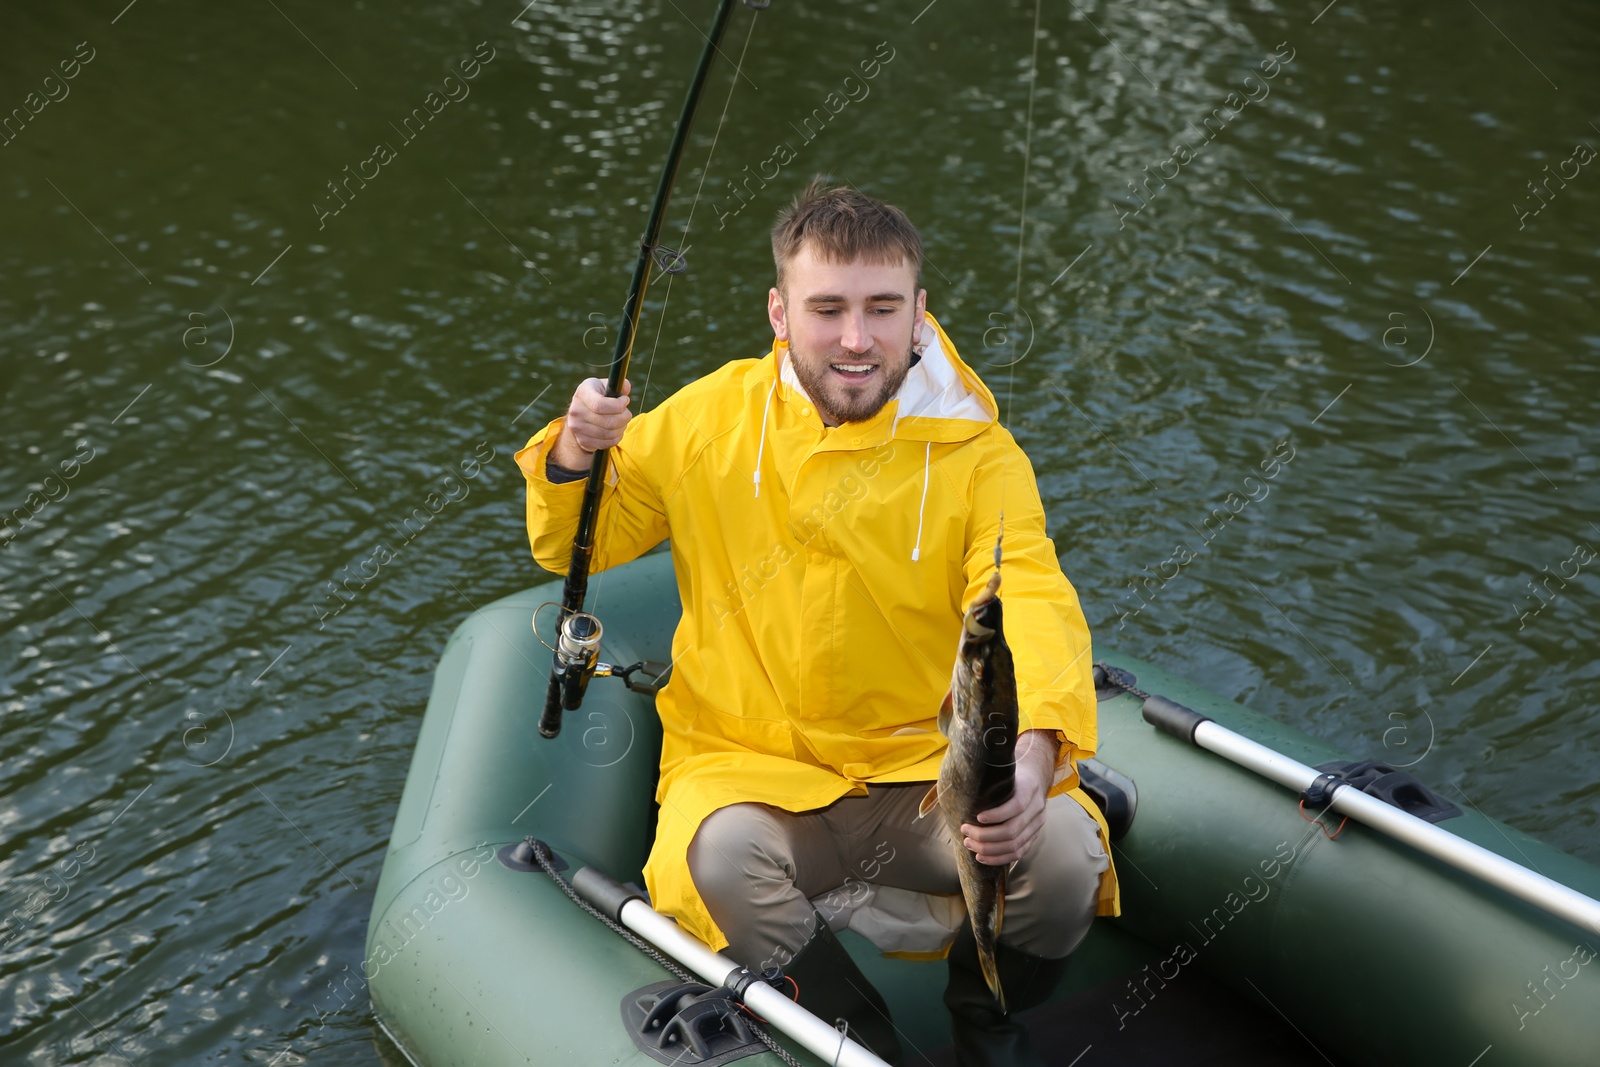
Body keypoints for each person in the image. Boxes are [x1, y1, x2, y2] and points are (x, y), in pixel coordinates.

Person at [516, 179, 1118, 1067]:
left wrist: (1030, 756)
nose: (854, 338)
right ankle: (868, 1048)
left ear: (920, 314)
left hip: (919, 770)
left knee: (1065, 855)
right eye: (826, 308)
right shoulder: (709, 419)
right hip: (750, 766)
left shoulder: (980, 456)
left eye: (882, 308)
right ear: (778, 311)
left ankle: (987, 1023)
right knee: (722, 854)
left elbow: (1028, 600)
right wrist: (575, 448)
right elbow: (577, 539)